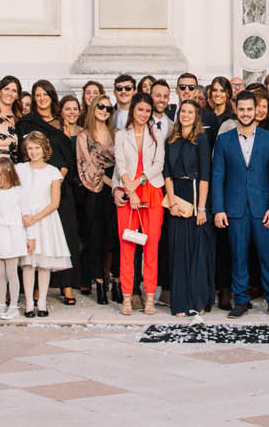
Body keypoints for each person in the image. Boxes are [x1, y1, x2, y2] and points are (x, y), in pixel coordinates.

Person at [211, 90, 269, 319]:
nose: (245, 113)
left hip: (263, 208)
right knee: (238, 256)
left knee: (267, 255)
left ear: (257, 111)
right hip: (234, 208)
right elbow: (217, 177)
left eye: (249, 109)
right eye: (241, 109)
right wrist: (219, 209)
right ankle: (241, 301)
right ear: (235, 110)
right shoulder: (224, 140)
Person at [112, 95, 165, 315]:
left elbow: (158, 164)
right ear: (133, 110)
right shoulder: (121, 136)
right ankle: (127, 297)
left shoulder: (157, 135)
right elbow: (120, 164)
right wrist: (128, 189)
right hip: (127, 192)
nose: (143, 114)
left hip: (150, 189)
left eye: (147, 111)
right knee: (127, 247)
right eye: (140, 109)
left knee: (151, 247)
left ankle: (150, 296)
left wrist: (139, 182)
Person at [163, 100, 214, 317]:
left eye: (190, 112)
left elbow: (205, 175)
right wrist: (172, 202)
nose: (185, 115)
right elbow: (166, 173)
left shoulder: (201, 140)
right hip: (176, 197)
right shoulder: (171, 140)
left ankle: (198, 300)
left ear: (196, 116)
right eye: (182, 111)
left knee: (197, 252)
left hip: (196, 197)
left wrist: (201, 208)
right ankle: (180, 303)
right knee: (178, 252)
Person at [14, 132, 73, 318]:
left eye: (37, 148)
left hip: (45, 220)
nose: (33, 152)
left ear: (44, 149)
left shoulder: (52, 171)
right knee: (28, 264)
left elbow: (54, 203)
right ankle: (29, 303)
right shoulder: (20, 169)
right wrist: (26, 217)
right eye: (30, 148)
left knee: (44, 264)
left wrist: (36, 217)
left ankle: (42, 302)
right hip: (25, 219)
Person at [75, 94, 118, 305]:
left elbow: (122, 164)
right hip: (95, 190)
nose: (104, 111)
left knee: (115, 239)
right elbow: (89, 167)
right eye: (100, 106)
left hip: (116, 193)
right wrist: (114, 184)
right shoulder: (84, 136)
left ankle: (116, 282)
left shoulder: (116, 134)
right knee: (96, 239)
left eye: (108, 108)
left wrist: (119, 187)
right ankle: (99, 283)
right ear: (93, 108)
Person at [0, 159, 33, 320]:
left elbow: (26, 216)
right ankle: (1, 304)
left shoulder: (19, 192)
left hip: (13, 235)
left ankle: (14, 305)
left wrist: (31, 237)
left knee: (11, 273)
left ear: (8, 174)